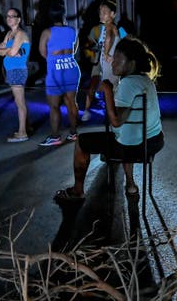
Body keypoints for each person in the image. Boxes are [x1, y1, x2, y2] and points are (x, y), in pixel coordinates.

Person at [54, 37, 164, 201]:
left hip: (135, 146)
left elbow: (116, 121)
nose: (112, 63)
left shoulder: (128, 84)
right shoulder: (145, 80)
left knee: (82, 142)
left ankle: (77, 190)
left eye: (118, 59)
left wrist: (107, 90)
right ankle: (131, 184)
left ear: (131, 62)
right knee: (126, 134)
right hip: (153, 140)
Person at [38, 0, 81, 146]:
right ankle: (73, 133)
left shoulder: (47, 32)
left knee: (54, 106)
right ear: (63, 14)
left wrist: (54, 61)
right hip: (71, 68)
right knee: (71, 102)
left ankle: (55, 136)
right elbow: (74, 50)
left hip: (55, 71)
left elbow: (43, 53)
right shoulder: (72, 30)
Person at [0, 8, 31, 143]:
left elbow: (10, 53)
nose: (9, 18)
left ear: (19, 19)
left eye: (12, 16)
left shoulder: (20, 34)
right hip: (11, 70)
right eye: (7, 16)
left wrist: (8, 50)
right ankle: (25, 128)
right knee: (19, 102)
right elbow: (0, 52)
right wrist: (9, 50)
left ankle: (23, 132)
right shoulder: (9, 34)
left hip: (18, 70)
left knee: (20, 102)